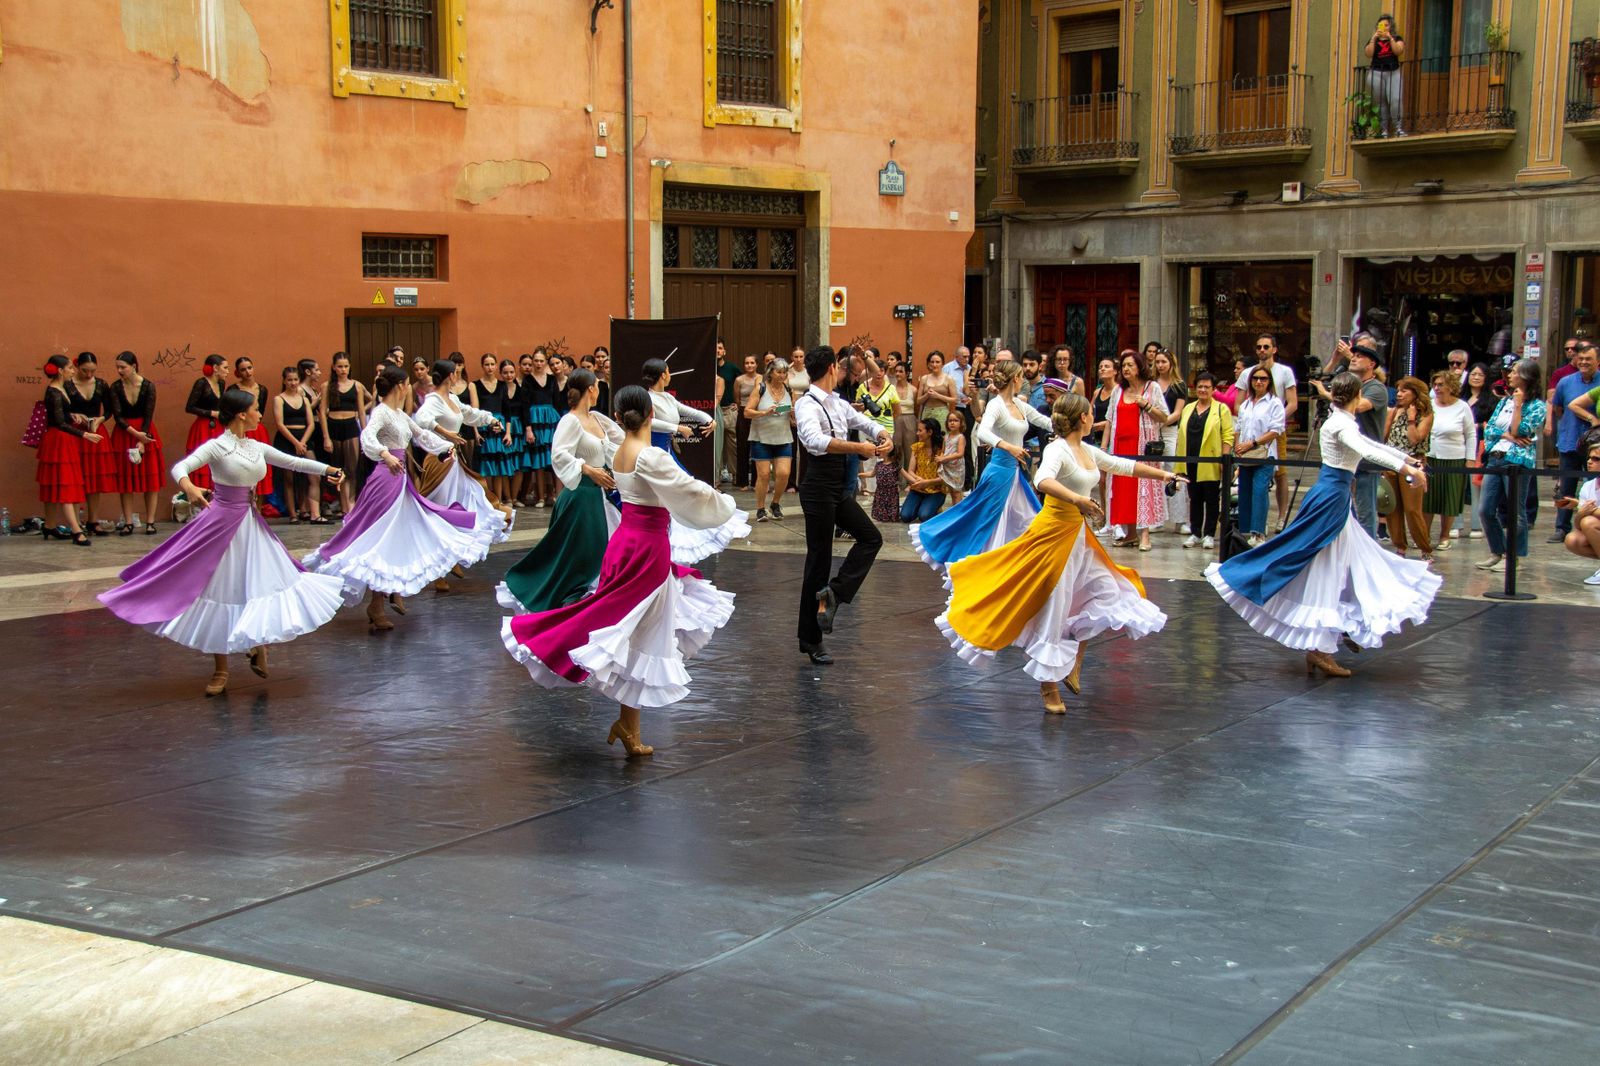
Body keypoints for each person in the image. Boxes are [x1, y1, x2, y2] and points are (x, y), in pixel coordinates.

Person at [501, 385, 739, 758]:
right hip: (645, 551)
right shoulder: (648, 456)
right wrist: (724, 503)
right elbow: (688, 490)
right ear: (649, 416)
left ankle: (629, 724)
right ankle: (546, 641)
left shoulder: (623, 451)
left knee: (636, 632)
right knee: (635, 630)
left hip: (627, 544)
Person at [99, 387, 350, 697]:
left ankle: (257, 644)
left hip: (251, 524)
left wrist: (329, 470)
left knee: (262, 585)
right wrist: (189, 486)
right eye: (256, 408)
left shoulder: (256, 445)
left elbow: (293, 462)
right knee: (220, 590)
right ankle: (220, 668)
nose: (260, 412)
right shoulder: (218, 446)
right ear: (242, 414)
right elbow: (180, 467)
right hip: (219, 524)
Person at [939, 393, 1178, 713]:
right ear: (1082, 418)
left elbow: (1121, 464)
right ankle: (1048, 686)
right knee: (1056, 608)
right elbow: (1043, 479)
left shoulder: (1086, 450)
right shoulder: (1057, 449)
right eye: (1092, 413)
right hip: (1052, 534)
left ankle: (1074, 661)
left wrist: (1164, 474)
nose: (1095, 417)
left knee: (1107, 592)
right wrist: (1078, 500)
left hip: (1079, 537)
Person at [1207, 372, 1438, 679]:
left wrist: (1404, 457)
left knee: (1350, 562)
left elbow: (1369, 445)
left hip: (1335, 497)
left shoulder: (1341, 421)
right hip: (1331, 499)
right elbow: (1366, 450)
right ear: (1356, 396)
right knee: (1329, 567)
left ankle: (1341, 630)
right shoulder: (1341, 423)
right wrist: (1407, 467)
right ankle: (1322, 646)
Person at [304, 366, 496, 631]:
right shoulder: (381, 412)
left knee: (398, 537)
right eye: (406, 383)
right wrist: (385, 454)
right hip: (385, 482)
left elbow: (421, 435)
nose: (408, 387)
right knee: (380, 539)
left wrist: (445, 446)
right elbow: (367, 436)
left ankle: (383, 599)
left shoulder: (399, 415)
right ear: (399, 386)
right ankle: (379, 603)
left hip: (401, 480)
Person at [795, 345, 893, 665]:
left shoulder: (837, 403)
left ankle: (834, 594)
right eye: (838, 368)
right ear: (831, 370)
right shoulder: (806, 404)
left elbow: (862, 419)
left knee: (870, 537)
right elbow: (815, 441)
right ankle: (811, 640)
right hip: (818, 487)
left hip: (837, 488)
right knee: (819, 561)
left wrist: (881, 435)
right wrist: (859, 447)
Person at [497, 369, 623, 613]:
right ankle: (563, 599)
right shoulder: (570, 420)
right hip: (579, 498)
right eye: (597, 386)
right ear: (591, 390)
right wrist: (587, 468)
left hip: (599, 498)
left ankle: (591, 604)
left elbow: (620, 443)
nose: (599, 390)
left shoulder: (597, 418)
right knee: (576, 556)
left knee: (601, 550)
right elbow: (559, 454)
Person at [909, 359, 1050, 572]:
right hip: (999, 472)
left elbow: (1042, 420)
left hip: (1014, 474)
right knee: (985, 518)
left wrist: (1069, 426)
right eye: (1021, 377)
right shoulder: (996, 405)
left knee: (1023, 517)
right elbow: (983, 432)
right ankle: (982, 561)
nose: (1023, 381)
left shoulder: (1019, 404)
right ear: (1015, 379)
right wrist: (1009, 447)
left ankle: (1010, 560)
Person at [414, 359, 512, 579]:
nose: (457, 376)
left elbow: (470, 414)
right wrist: (444, 432)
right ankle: (439, 570)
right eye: (456, 373)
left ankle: (451, 559)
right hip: (439, 462)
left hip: (453, 463)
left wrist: (490, 419)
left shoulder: (452, 399)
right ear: (450, 376)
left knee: (464, 505)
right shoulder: (433, 400)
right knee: (441, 512)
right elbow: (421, 419)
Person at [1475, 358, 1546, 572]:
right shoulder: (1503, 401)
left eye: (1514, 372)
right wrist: (1508, 434)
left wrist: (1517, 407)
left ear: (1525, 376)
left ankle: (1514, 556)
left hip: (1517, 461)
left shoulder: (1537, 406)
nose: (1510, 375)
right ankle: (1498, 551)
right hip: (1495, 457)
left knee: (1516, 510)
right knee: (1485, 509)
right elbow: (1490, 430)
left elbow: (1522, 431)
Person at [1311, 338, 1386, 537]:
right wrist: (1335, 358)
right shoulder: (1346, 381)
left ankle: (1368, 554)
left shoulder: (1376, 388)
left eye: (1360, 356)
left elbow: (1357, 406)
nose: (1354, 358)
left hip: (1365, 460)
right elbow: (1323, 380)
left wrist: (1326, 394)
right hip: (1344, 459)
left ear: (1372, 364)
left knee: (1365, 512)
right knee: (1345, 511)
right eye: (1354, 355)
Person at [1102, 349, 1169, 551]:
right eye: (1123, 366)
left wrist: (1147, 406)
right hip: (1121, 446)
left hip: (1142, 447)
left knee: (1144, 487)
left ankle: (1145, 534)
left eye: (1130, 365)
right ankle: (1130, 534)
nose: (1126, 369)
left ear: (1140, 366)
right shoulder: (1118, 391)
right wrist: (1104, 447)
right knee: (1125, 490)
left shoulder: (1152, 388)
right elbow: (1109, 420)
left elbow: (1164, 417)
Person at [1236, 334, 1299, 531]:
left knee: (1279, 474)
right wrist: (1248, 423)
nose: (1262, 350)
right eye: (1259, 347)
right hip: (1248, 434)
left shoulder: (1284, 372)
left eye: (1266, 347)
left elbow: (1293, 403)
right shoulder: (1247, 374)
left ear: (1274, 349)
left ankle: (1279, 518)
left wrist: (1275, 421)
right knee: (1245, 487)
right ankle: (1246, 530)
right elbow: (1238, 403)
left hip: (1272, 432)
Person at [35, 355, 95, 546]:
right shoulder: (53, 391)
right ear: (60, 370)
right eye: (69, 367)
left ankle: (50, 524)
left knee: (57, 482)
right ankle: (76, 529)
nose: (72, 370)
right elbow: (58, 422)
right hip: (58, 440)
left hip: (63, 440)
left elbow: (61, 414)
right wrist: (84, 435)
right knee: (65, 482)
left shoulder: (63, 387)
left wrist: (74, 415)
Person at [1176, 371, 1234, 549]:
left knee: (1211, 498)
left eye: (1206, 387)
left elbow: (1228, 435)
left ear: (1213, 389)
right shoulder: (1188, 408)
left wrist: (1224, 458)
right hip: (1190, 460)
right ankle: (1195, 532)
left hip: (1211, 461)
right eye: (1200, 386)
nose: (1202, 390)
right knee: (1194, 497)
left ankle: (1209, 533)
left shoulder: (1220, 409)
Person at [108, 351, 165, 536]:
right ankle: (128, 521)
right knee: (126, 481)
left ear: (134, 366)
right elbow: (117, 416)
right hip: (125, 433)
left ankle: (150, 521)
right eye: (117, 367)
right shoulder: (115, 387)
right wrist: (136, 435)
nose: (119, 370)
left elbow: (149, 414)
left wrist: (143, 440)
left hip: (145, 430)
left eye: (123, 367)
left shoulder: (148, 386)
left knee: (150, 479)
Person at [1549, 341, 1599, 542]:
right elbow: (1559, 408)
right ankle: (1561, 527)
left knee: (1593, 486)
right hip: (1570, 440)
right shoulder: (1565, 382)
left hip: (1595, 447)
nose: (1584, 362)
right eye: (1581, 358)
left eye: (1589, 359)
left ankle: (1588, 526)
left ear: (1598, 361)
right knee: (1566, 487)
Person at [1421, 370, 1476, 549]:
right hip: (1430, 457)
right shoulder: (1428, 405)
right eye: (1434, 385)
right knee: (1427, 498)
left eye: (1440, 385)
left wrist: (1470, 459)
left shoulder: (1462, 406)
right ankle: (1424, 535)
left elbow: (1470, 434)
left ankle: (1445, 536)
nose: (1436, 388)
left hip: (1454, 458)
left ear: (1451, 387)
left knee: (1449, 498)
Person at [1233, 366, 1286, 546]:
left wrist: (1253, 443)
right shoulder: (1246, 404)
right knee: (1244, 492)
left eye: (1263, 379)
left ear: (1269, 381)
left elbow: (1276, 430)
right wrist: (1238, 448)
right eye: (1255, 378)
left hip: (1265, 455)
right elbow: (1238, 428)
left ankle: (1258, 532)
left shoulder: (1274, 403)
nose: (1259, 382)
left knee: (1259, 491)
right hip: (1246, 455)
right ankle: (1245, 531)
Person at [65, 352, 117, 534]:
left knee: (95, 478)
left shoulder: (101, 384)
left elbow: (110, 410)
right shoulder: (67, 384)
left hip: (95, 431)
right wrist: (72, 416)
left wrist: (101, 419)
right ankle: (76, 521)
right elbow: (60, 409)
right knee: (76, 478)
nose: (88, 375)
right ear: (77, 366)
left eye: (92, 371)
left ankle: (93, 520)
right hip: (75, 434)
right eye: (85, 370)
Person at [1383, 376, 1434, 560]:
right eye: (1398, 390)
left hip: (1413, 463)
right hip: (1391, 463)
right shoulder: (1395, 411)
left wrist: (1412, 419)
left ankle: (1424, 547)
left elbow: (1415, 439)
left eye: (1404, 390)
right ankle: (1400, 546)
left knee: (1412, 509)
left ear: (1415, 392)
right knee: (1392, 507)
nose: (1399, 394)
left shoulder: (1426, 414)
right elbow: (1385, 436)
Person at [272, 365, 323, 526]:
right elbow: (280, 424)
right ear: (284, 381)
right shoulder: (279, 399)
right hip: (286, 439)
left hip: (304, 439)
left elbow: (311, 424)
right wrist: (295, 443)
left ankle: (310, 511)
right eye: (289, 380)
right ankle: (293, 513)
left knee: (313, 473)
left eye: (295, 380)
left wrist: (303, 442)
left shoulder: (304, 400)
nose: (293, 383)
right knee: (289, 478)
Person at [319, 352, 367, 517]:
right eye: (340, 366)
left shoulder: (357, 386)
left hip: (351, 426)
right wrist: (326, 437)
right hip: (333, 425)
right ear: (333, 367)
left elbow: (361, 412)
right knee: (338, 468)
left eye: (346, 366)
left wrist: (365, 435)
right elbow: (321, 413)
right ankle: (344, 505)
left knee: (352, 469)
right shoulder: (327, 386)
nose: (343, 369)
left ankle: (351, 503)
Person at [745, 362, 794, 522]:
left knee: (783, 473)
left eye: (784, 373)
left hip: (783, 437)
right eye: (779, 372)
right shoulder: (761, 388)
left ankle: (775, 503)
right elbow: (747, 412)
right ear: (771, 372)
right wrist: (764, 412)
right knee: (764, 475)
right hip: (761, 437)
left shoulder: (788, 390)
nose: (782, 375)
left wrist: (794, 415)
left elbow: (792, 415)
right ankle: (760, 508)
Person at [475, 358, 525, 508]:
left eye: (492, 364)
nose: (490, 367)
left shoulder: (502, 385)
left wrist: (507, 432)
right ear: (482, 366)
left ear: (496, 366)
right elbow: (475, 410)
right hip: (484, 426)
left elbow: (507, 410)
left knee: (499, 466)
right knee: (486, 465)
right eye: (486, 364)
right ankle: (487, 498)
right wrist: (477, 432)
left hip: (500, 426)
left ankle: (499, 500)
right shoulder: (476, 385)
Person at [1151, 348, 1189, 534]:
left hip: (1170, 431)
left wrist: (1162, 422)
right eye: (1157, 362)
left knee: (1174, 472)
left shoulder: (1179, 385)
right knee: (1154, 473)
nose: (1160, 365)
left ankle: (1180, 520)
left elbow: (1178, 412)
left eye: (1163, 362)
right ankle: (1156, 518)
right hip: (1152, 432)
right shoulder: (1151, 384)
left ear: (1171, 363)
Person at [521, 350, 561, 507]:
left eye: (541, 360)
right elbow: (524, 405)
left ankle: (557, 495)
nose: (538, 363)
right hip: (535, 422)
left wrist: (559, 425)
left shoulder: (552, 380)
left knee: (554, 458)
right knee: (538, 460)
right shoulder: (528, 380)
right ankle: (541, 497)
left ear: (545, 362)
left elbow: (557, 402)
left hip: (550, 421)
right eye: (536, 360)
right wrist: (528, 428)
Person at [182, 354, 228, 492]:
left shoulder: (221, 384)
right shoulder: (201, 383)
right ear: (215, 368)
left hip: (218, 428)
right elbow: (189, 407)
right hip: (203, 428)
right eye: (225, 368)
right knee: (202, 462)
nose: (227, 371)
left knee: (220, 461)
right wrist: (211, 413)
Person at [232, 357, 274, 501]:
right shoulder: (233, 389)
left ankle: (259, 510)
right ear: (237, 372)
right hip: (240, 429)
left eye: (249, 368)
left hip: (258, 429)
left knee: (260, 465)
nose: (247, 372)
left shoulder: (262, 389)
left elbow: (259, 411)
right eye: (243, 369)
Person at [1557, 450, 1600, 585]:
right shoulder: (1588, 486)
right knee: (1573, 540)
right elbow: (1578, 525)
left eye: (1596, 458)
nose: (1589, 461)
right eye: (1589, 458)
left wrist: (1583, 507)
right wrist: (1581, 512)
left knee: (1589, 522)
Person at [898, 418, 949, 523]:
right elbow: (910, 471)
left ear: (930, 432)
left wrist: (927, 482)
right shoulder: (916, 447)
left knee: (924, 516)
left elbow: (946, 477)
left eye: (920, 430)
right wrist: (919, 480)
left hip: (936, 490)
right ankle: (923, 505)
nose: (917, 433)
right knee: (905, 516)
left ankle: (931, 507)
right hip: (918, 488)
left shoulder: (943, 450)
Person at [1365, 14, 1406, 138]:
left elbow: (1398, 51)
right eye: (1381, 25)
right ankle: (1383, 130)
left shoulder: (1397, 38)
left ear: (1391, 26)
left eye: (1386, 25)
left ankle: (1398, 127)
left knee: (1395, 100)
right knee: (1380, 103)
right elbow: (1368, 53)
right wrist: (1373, 38)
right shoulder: (1374, 40)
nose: (1383, 27)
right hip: (1376, 73)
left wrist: (1390, 38)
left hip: (1393, 72)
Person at [734, 353, 763, 488]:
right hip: (744, 413)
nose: (749, 365)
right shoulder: (739, 380)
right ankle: (742, 482)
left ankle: (757, 481)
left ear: (757, 365)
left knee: (757, 447)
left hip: (757, 414)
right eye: (747, 363)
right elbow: (737, 398)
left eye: (752, 363)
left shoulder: (761, 379)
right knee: (742, 447)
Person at [715, 339, 739, 484]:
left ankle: (735, 475)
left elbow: (743, 383)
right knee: (717, 445)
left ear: (724, 351)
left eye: (720, 348)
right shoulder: (708, 367)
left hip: (729, 410)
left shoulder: (732, 368)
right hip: (713, 411)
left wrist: (739, 402)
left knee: (732, 445)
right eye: (715, 348)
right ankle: (716, 476)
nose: (718, 351)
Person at [918, 350, 958, 429]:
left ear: (942, 364)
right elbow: (918, 401)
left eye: (937, 362)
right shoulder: (924, 378)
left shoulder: (949, 379)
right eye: (932, 362)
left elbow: (954, 399)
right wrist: (927, 395)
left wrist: (938, 396)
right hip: (927, 412)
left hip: (942, 412)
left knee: (941, 437)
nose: (934, 364)